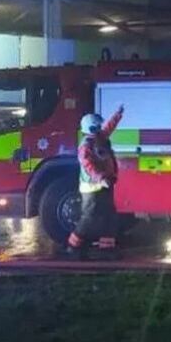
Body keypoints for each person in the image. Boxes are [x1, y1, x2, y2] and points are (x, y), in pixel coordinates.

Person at [66, 105, 125, 260]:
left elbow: (108, 127)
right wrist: (101, 178)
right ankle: (73, 246)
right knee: (89, 218)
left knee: (109, 217)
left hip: (105, 184)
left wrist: (117, 115)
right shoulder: (86, 146)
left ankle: (107, 249)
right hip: (92, 188)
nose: (101, 128)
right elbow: (88, 166)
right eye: (98, 126)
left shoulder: (99, 137)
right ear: (91, 128)